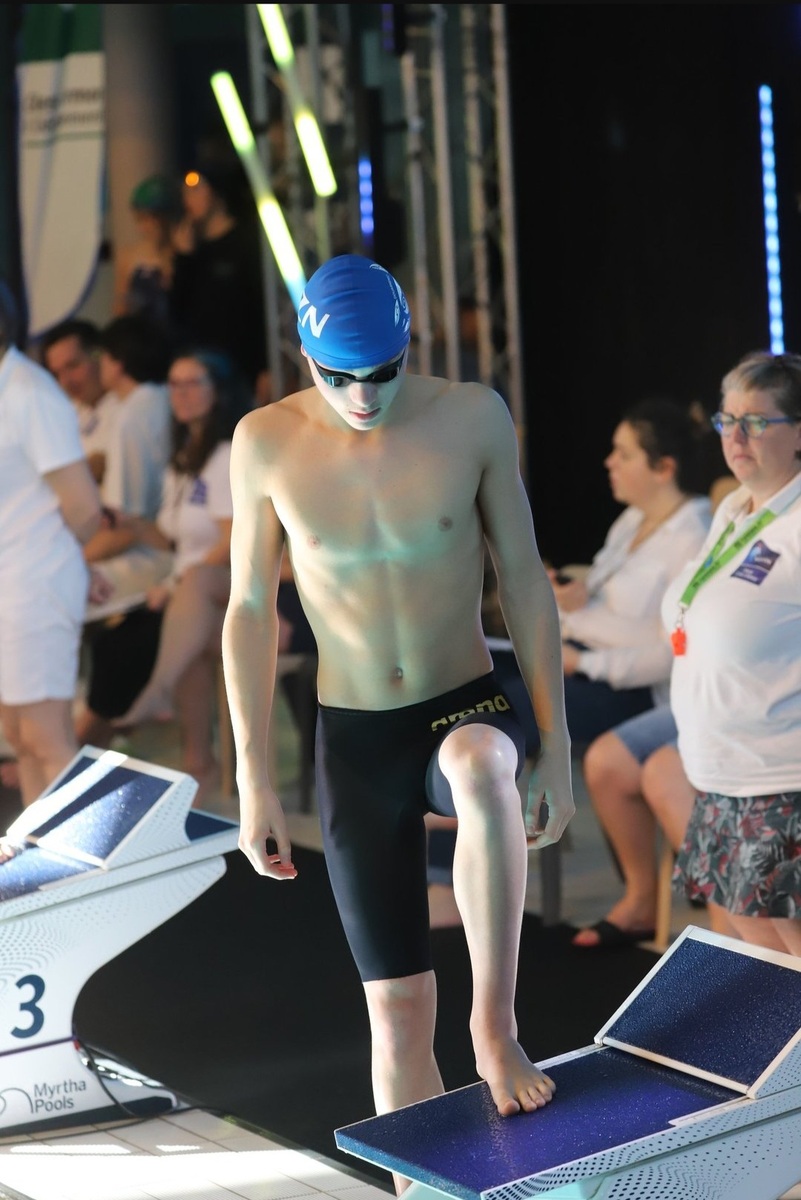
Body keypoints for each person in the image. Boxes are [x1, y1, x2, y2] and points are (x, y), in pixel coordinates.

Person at [221, 254, 574, 1191]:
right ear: (305, 358)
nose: (363, 396)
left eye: (381, 373)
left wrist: (557, 747)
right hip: (356, 733)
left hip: (464, 699)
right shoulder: (264, 441)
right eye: (339, 377)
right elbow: (248, 611)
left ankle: (495, 1030)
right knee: (396, 1015)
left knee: (481, 768)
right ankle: (422, 1187)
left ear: (409, 346)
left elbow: (524, 580)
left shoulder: (471, 417)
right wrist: (255, 778)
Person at [662, 349, 801, 957]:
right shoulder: (732, 509)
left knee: (789, 948)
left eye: (757, 421)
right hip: (722, 774)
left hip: (782, 778)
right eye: (728, 420)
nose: (736, 436)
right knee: (760, 949)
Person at [112, 348, 252, 804]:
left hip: (236, 581)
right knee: (191, 633)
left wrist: (174, 582)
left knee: (193, 589)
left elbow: (230, 542)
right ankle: (199, 765)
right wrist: (133, 526)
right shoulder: (183, 459)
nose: (181, 393)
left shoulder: (227, 453)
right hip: (198, 598)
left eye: (193, 383)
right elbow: (177, 543)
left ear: (219, 391)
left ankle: (161, 696)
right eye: (174, 384)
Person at [549, 398, 713, 747]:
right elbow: (605, 593)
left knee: (504, 708)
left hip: (629, 688)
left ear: (664, 469)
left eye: (623, 455)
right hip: (575, 652)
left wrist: (583, 663)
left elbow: (671, 655)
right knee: (478, 685)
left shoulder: (693, 539)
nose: (609, 462)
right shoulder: (632, 518)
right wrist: (576, 594)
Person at [0, 281, 107, 807]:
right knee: (19, 738)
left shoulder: (29, 392)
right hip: (13, 582)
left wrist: (69, 564)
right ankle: (36, 856)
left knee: (46, 737)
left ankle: (77, 857)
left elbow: (84, 508)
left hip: (34, 584)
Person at [76, 314, 174, 749]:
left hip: (155, 553)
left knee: (52, 594)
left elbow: (127, 522)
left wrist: (71, 561)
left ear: (116, 361)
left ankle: (61, 743)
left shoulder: (135, 413)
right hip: (154, 544)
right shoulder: (149, 403)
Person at [170, 165, 271, 405]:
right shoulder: (191, 249)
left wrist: (266, 366)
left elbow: (262, 306)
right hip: (202, 368)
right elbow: (178, 311)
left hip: (243, 365)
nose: (188, 199)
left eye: (195, 190)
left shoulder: (246, 241)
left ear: (217, 191)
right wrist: (183, 260)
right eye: (185, 192)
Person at [40, 318, 118, 486]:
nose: (66, 382)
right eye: (57, 374)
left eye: (73, 366)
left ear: (99, 355)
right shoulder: (65, 415)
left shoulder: (127, 404)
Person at [112, 174, 182, 332]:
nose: (147, 226)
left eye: (153, 219)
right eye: (141, 219)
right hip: (142, 337)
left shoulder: (184, 255)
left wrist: (162, 252)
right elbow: (121, 307)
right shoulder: (129, 256)